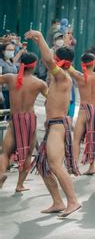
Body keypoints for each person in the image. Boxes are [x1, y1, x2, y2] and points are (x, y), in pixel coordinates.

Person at [25, 30, 81, 218]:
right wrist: (64, 43)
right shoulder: (61, 76)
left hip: (57, 126)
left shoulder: (62, 76)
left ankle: (72, 201)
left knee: (56, 165)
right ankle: (58, 202)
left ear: (59, 61)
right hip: (53, 126)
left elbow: (48, 60)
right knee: (43, 165)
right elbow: (52, 59)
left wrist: (40, 36)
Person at [0, 52, 48, 191]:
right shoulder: (39, 83)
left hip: (14, 119)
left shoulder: (10, 78)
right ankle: (20, 185)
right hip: (28, 120)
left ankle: (1, 174)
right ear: (33, 66)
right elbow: (51, 99)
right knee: (27, 153)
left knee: (5, 152)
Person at [68, 51, 95, 176]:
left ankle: (74, 165)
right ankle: (91, 166)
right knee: (91, 139)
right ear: (94, 63)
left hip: (84, 110)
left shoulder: (79, 76)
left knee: (76, 139)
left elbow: (66, 65)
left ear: (82, 64)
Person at [0, 42, 22, 111]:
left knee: (11, 111)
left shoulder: (12, 62)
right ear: (3, 51)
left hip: (13, 90)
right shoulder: (1, 62)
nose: (11, 51)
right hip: (4, 91)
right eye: (9, 50)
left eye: (12, 50)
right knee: (4, 112)